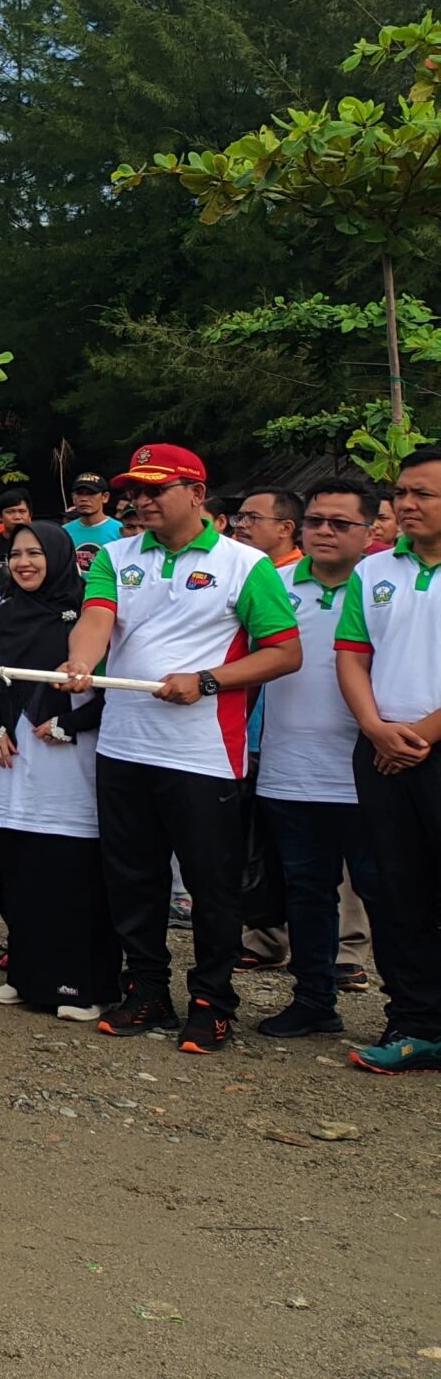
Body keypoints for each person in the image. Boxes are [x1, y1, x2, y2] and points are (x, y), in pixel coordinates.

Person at [58, 444, 300, 1055]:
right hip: (124, 746)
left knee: (212, 885)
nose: (140, 500)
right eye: (134, 490)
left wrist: (209, 680)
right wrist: (81, 660)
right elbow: (97, 618)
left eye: (154, 489)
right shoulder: (114, 555)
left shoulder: (246, 564)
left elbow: (283, 652)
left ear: (196, 493)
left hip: (202, 754)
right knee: (132, 878)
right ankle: (147, 990)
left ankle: (212, 1001)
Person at [250, 476, 381, 1041]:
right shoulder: (273, 584)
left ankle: (412, 1012)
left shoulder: (385, 586)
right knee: (305, 893)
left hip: (373, 771)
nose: (325, 531)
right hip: (290, 771)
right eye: (316, 521)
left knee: (390, 896)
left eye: (341, 523)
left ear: (370, 530)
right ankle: (313, 999)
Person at [0, 521, 114, 1019]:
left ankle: (79, 984)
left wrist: (71, 724)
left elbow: (116, 692)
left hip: (67, 766)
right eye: (16, 554)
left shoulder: (90, 617)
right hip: (9, 764)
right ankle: (26, 974)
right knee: (18, 866)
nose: (25, 562)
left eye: (35, 553)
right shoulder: (2, 613)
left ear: (60, 556)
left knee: (69, 871)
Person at [334, 447, 441, 1073]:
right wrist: (375, 727)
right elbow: (352, 654)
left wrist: (421, 735)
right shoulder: (376, 571)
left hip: (422, 745)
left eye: (423, 493)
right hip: (380, 751)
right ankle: (415, 1021)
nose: (405, 504)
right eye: (401, 493)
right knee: (397, 890)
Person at [231, 488, 303, 568]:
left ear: (285, 528)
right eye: (240, 517)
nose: (240, 524)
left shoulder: (299, 576)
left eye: (253, 517)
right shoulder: (232, 564)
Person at [67, 474, 122, 556]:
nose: (84, 499)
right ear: (73, 497)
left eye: (91, 493)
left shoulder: (120, 530)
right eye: (79, 493)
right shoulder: (64, 532)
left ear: (105, 497)